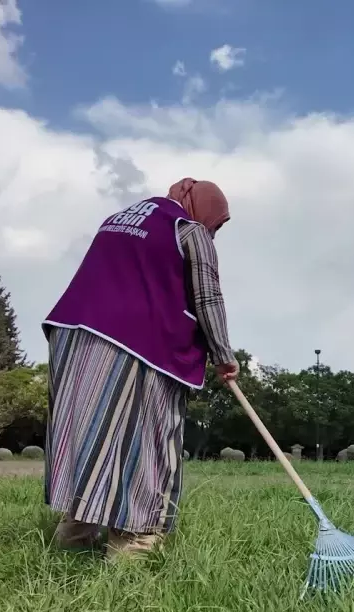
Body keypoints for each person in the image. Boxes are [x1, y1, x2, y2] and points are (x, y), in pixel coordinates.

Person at [41, 178, 239, 560]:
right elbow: (208, 295)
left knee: (88, 433)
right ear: (205, 209)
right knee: (147, 437)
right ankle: (135, 539)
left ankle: (76, 529)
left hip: (71, 334)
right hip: (138, 343)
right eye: (217, 223)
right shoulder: (189, 229)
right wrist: (223, 354)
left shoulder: (117, 219)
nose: (214, 232)